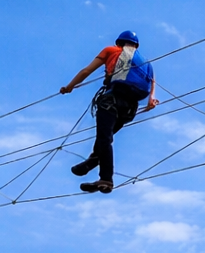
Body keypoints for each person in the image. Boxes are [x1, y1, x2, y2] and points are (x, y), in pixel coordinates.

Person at [60, 30, 158, 193]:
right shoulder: (146, 63)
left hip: (111, 101)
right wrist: (151, 101)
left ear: (119, 42)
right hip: (130, 108)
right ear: (136, 46)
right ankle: (91, 161)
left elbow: (86, 71)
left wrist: (69, 87)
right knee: (106, 137)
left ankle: (106, 179)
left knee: (104, 138)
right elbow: (152, 83)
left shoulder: (111, 50)